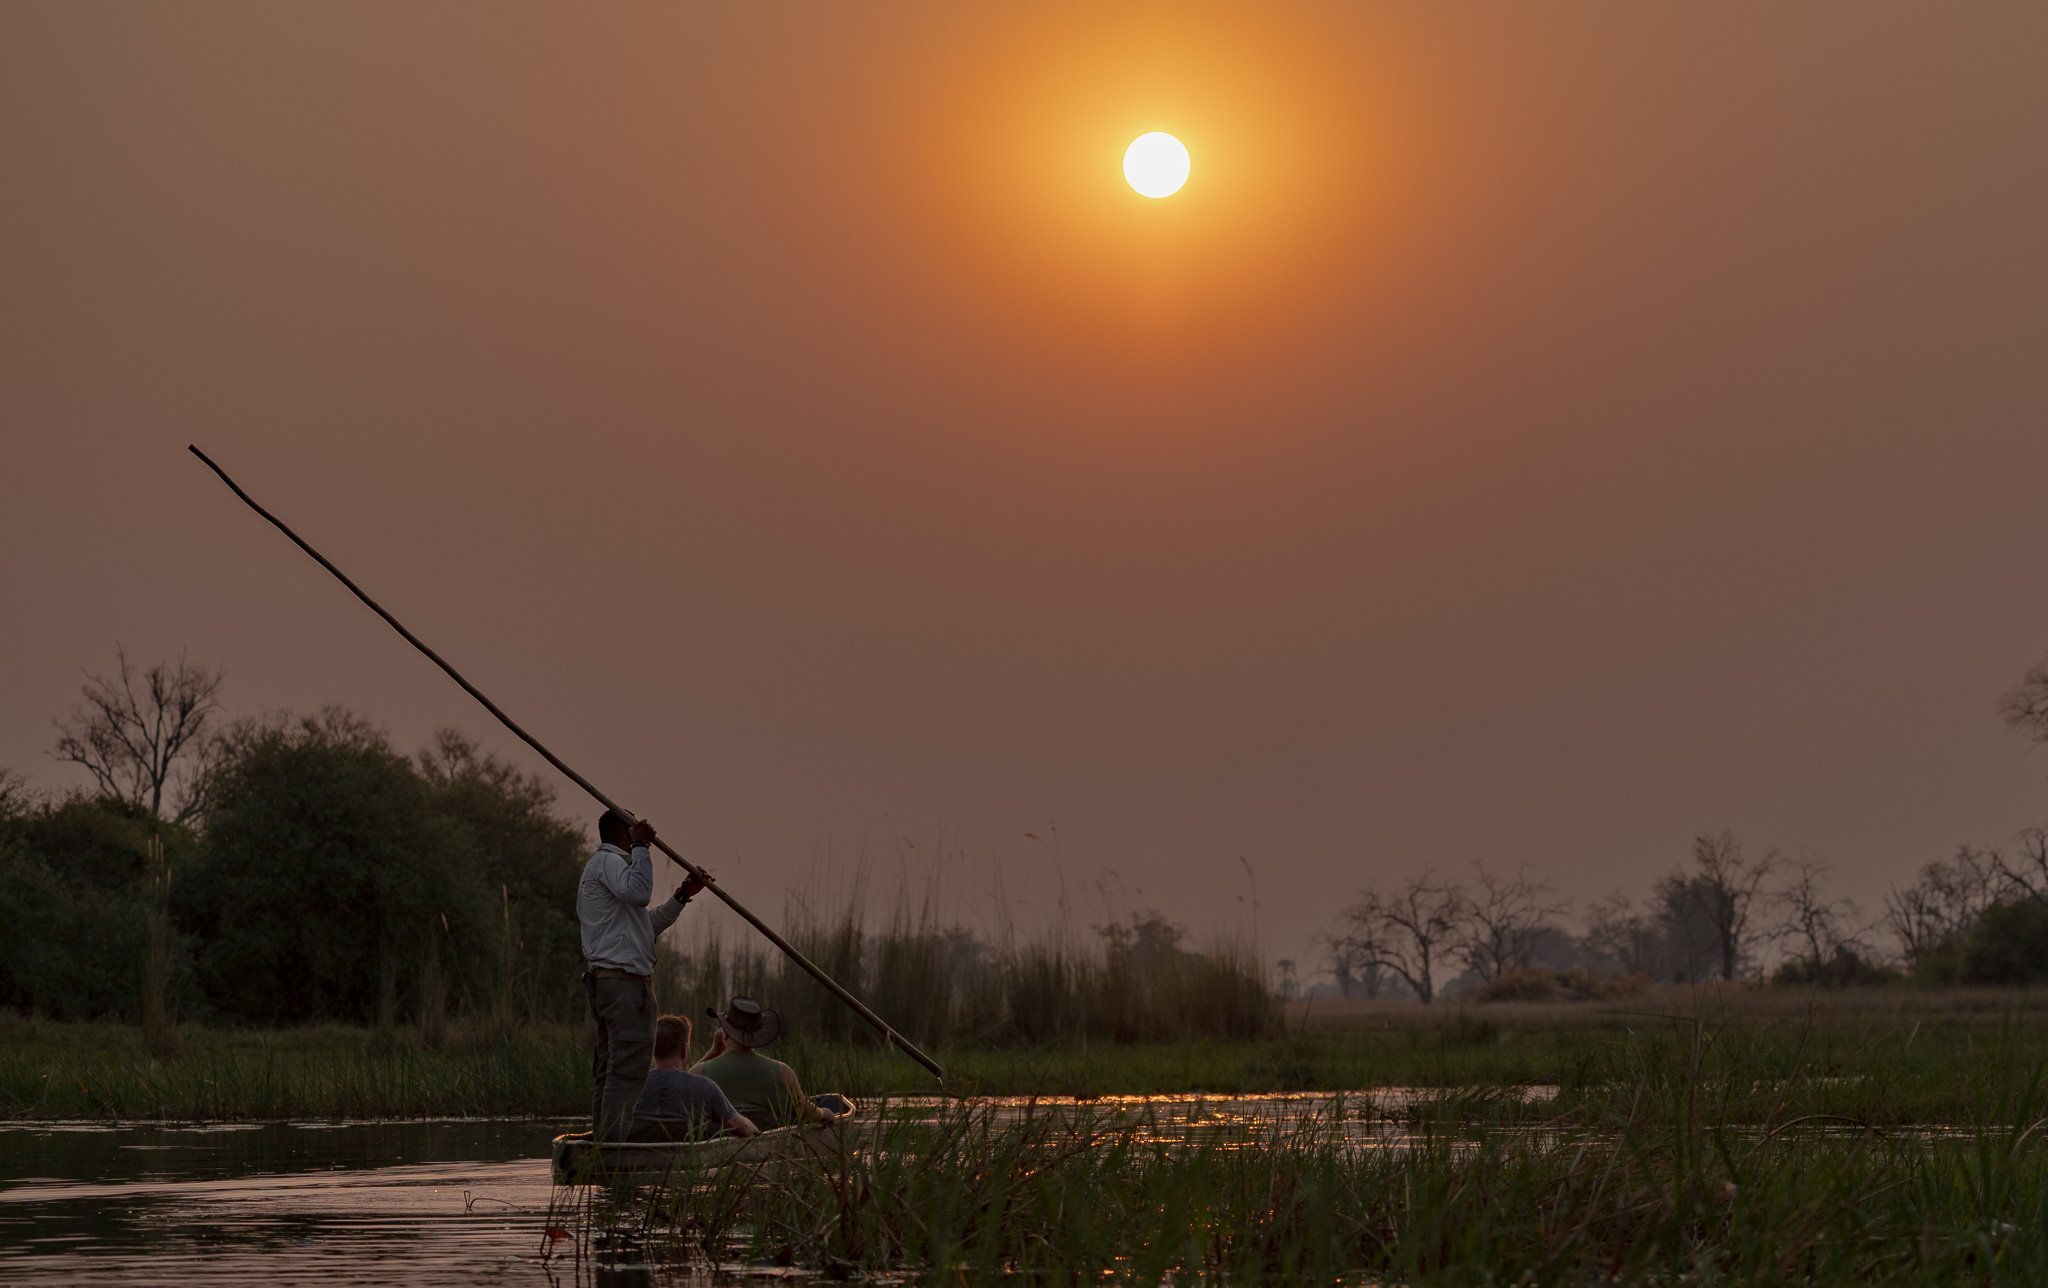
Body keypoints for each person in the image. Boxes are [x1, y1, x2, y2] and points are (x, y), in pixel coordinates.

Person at [578, 809, 711, 1139]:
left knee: (613, 1068)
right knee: (626, 1070)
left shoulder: (613, 873)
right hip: (622, 985)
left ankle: (604, 1142)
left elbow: (646, 927)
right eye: (633, 828)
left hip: (615, 983)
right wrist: (643, 848)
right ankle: (612, 1147)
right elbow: (640, 893)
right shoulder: (609, 862)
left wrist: (683, 895)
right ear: (623, 833)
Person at [691, 997, 841, 1129]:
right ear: (757, 1036)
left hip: (719, 1145)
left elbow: (682, 1085)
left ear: (724, 1033)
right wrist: (823, 1113)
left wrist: (714, 1051)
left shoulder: (700, 1072)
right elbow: (804, 1110)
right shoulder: (783, 1072)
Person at [630, 1014, 758, 1140]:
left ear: (653, 1050)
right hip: (692, 1158)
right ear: (685, 1050)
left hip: (638, 1157)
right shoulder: (706, 1087)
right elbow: (744, 1128)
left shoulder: (633, 1086)